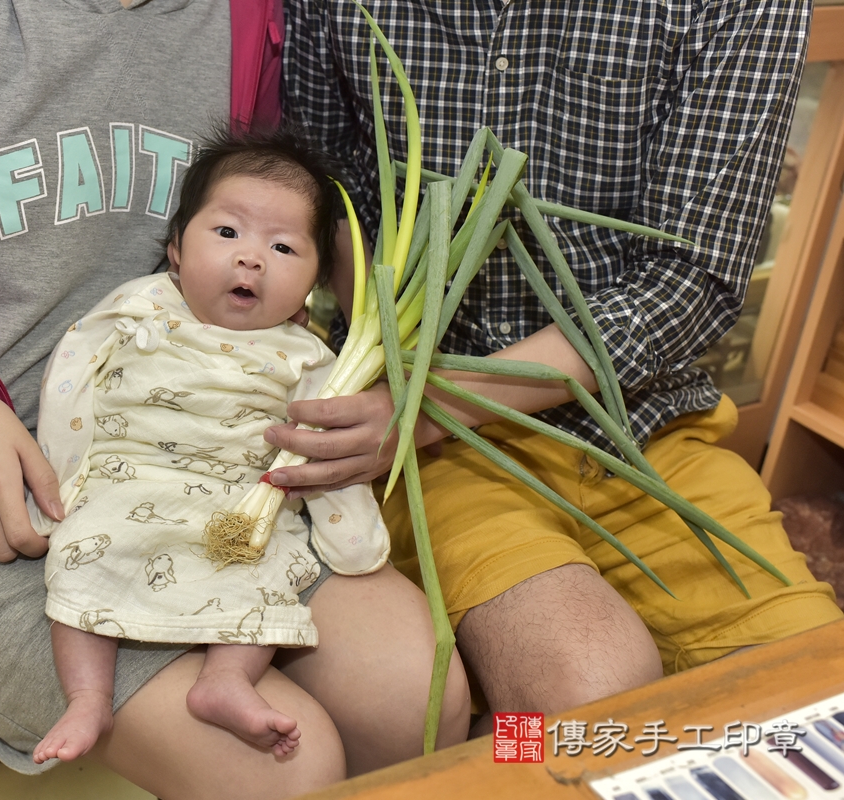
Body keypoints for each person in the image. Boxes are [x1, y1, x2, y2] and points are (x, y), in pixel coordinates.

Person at [0, 0, 470, 794]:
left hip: (211, 457)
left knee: (415, 700)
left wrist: (365, 376)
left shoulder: (259, 17)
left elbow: (294, 221)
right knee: (285, 767)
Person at [276, 0, 843, 726]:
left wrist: (421, 404)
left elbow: (689, 283)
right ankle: (501, 758)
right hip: (432, 442)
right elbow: (331, 197)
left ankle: (495, 741)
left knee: (814, 711)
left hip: (637, 420)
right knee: (580, 703)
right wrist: (381, 371)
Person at [30, 130, 397, 764]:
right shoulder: (137, 307)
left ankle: (224, 680)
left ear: (314, 283)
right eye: (227, 233)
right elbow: (71, 381)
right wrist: (59, 485)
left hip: (239, 506)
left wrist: (352, 536)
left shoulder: (309, 356)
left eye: (282, 247)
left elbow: (327, 453)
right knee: (85, 556)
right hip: (128, 480)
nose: (251, 258)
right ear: (175, 249)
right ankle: (88, 697)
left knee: (267, 573)